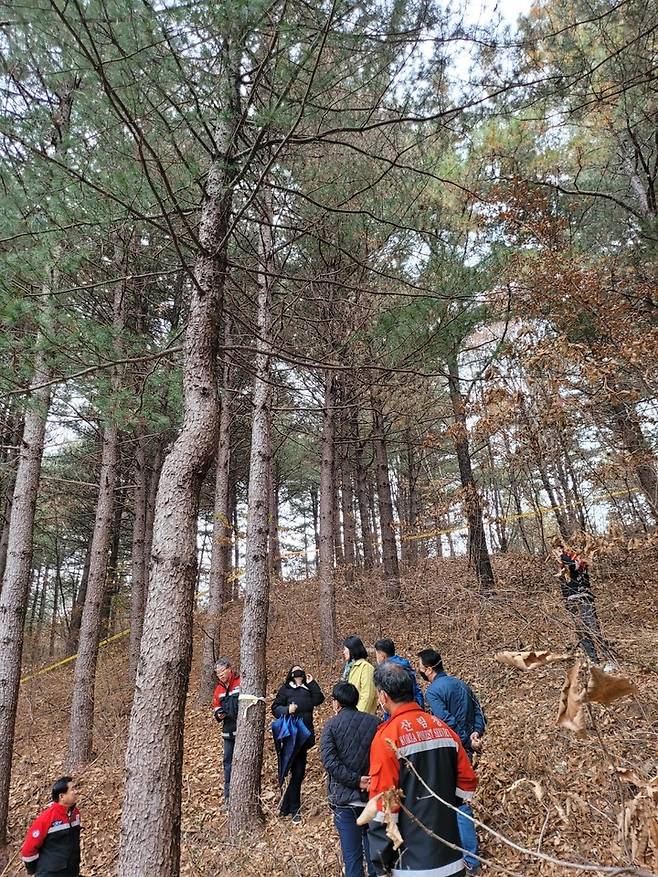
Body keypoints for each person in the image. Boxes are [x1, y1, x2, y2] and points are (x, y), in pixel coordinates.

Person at [366, 661, 477, 876]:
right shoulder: (444, 730)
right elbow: (467, 782)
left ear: (383, 696)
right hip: (453, 860)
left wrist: (380, 863)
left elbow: (383, 810)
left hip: (412, 865)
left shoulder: (387, 739)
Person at [417, 649, 486, 874]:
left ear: (428, 669)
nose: (419, 669)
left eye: (420, 665)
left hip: (453, 750)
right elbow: (478, 711)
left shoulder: (434, 691)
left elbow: (446, 722)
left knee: (458, 802)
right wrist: (476, 733)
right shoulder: (461, 684)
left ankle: (470, 859)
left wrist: (466, 738)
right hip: (467, 747)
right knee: (459, 799)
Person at [320, 682, 380, 877]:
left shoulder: (331, 726)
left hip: (345, 801)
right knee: (374, 855)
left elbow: (330, 762)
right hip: (372, 797)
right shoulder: (375, 722)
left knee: (352, 858)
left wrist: (355, 780)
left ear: (337, 703)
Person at [551, 537, 616, 669]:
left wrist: (562, 555)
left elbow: (574, 565)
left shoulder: (578, 561)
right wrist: (566, 602)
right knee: (581, 631)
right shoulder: (563, 568)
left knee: (593, 628)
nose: (557, 554)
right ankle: (593, 660)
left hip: (583, 598)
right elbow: (564, 585)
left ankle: (608, 659)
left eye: (561, 550)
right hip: (571, 601)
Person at [272, 665, 325, 823]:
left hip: (305, 736)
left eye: (300, 671)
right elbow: (274, 708)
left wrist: (313, 683)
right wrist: (287, 709)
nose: (298, 673)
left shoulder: (308, 689)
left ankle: (286, 807)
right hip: (291, 736)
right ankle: (294, 808)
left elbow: (319, 699)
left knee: (299, 773)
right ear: (291, 674)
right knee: (296, 772)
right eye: (295, 671)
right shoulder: (286, 689)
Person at [20, 776, 81, 876]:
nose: (76, 792)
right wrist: (38, 869)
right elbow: (28, 849)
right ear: (62, 796)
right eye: (72, 789)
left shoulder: (75, 814)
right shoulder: (46, 818)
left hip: (71, 871)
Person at [212, 657, 240, 804]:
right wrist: (218, 713)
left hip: (242, 731)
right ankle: (228, 797)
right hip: (227, 732)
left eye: (223, 671)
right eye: (218, 673)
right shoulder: (218, 689)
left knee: (242, 762)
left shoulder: (240, 682)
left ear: (230, 669)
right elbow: (215, 706)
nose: (221, 675)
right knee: (227, 763)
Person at [373, 638, 424, 717]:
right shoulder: (405, 665)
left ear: (382, 655)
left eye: (376, 654)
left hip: (395, 711)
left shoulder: (385, 672)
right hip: (413, 708)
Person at [342, 636, 377, 715]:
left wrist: (357, 716)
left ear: (351, 650)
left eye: (345, 649)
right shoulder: (348, 669)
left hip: (362, 718)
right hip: (349, 715)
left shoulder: (365, 667)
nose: (343, 652)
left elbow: (367, 695)